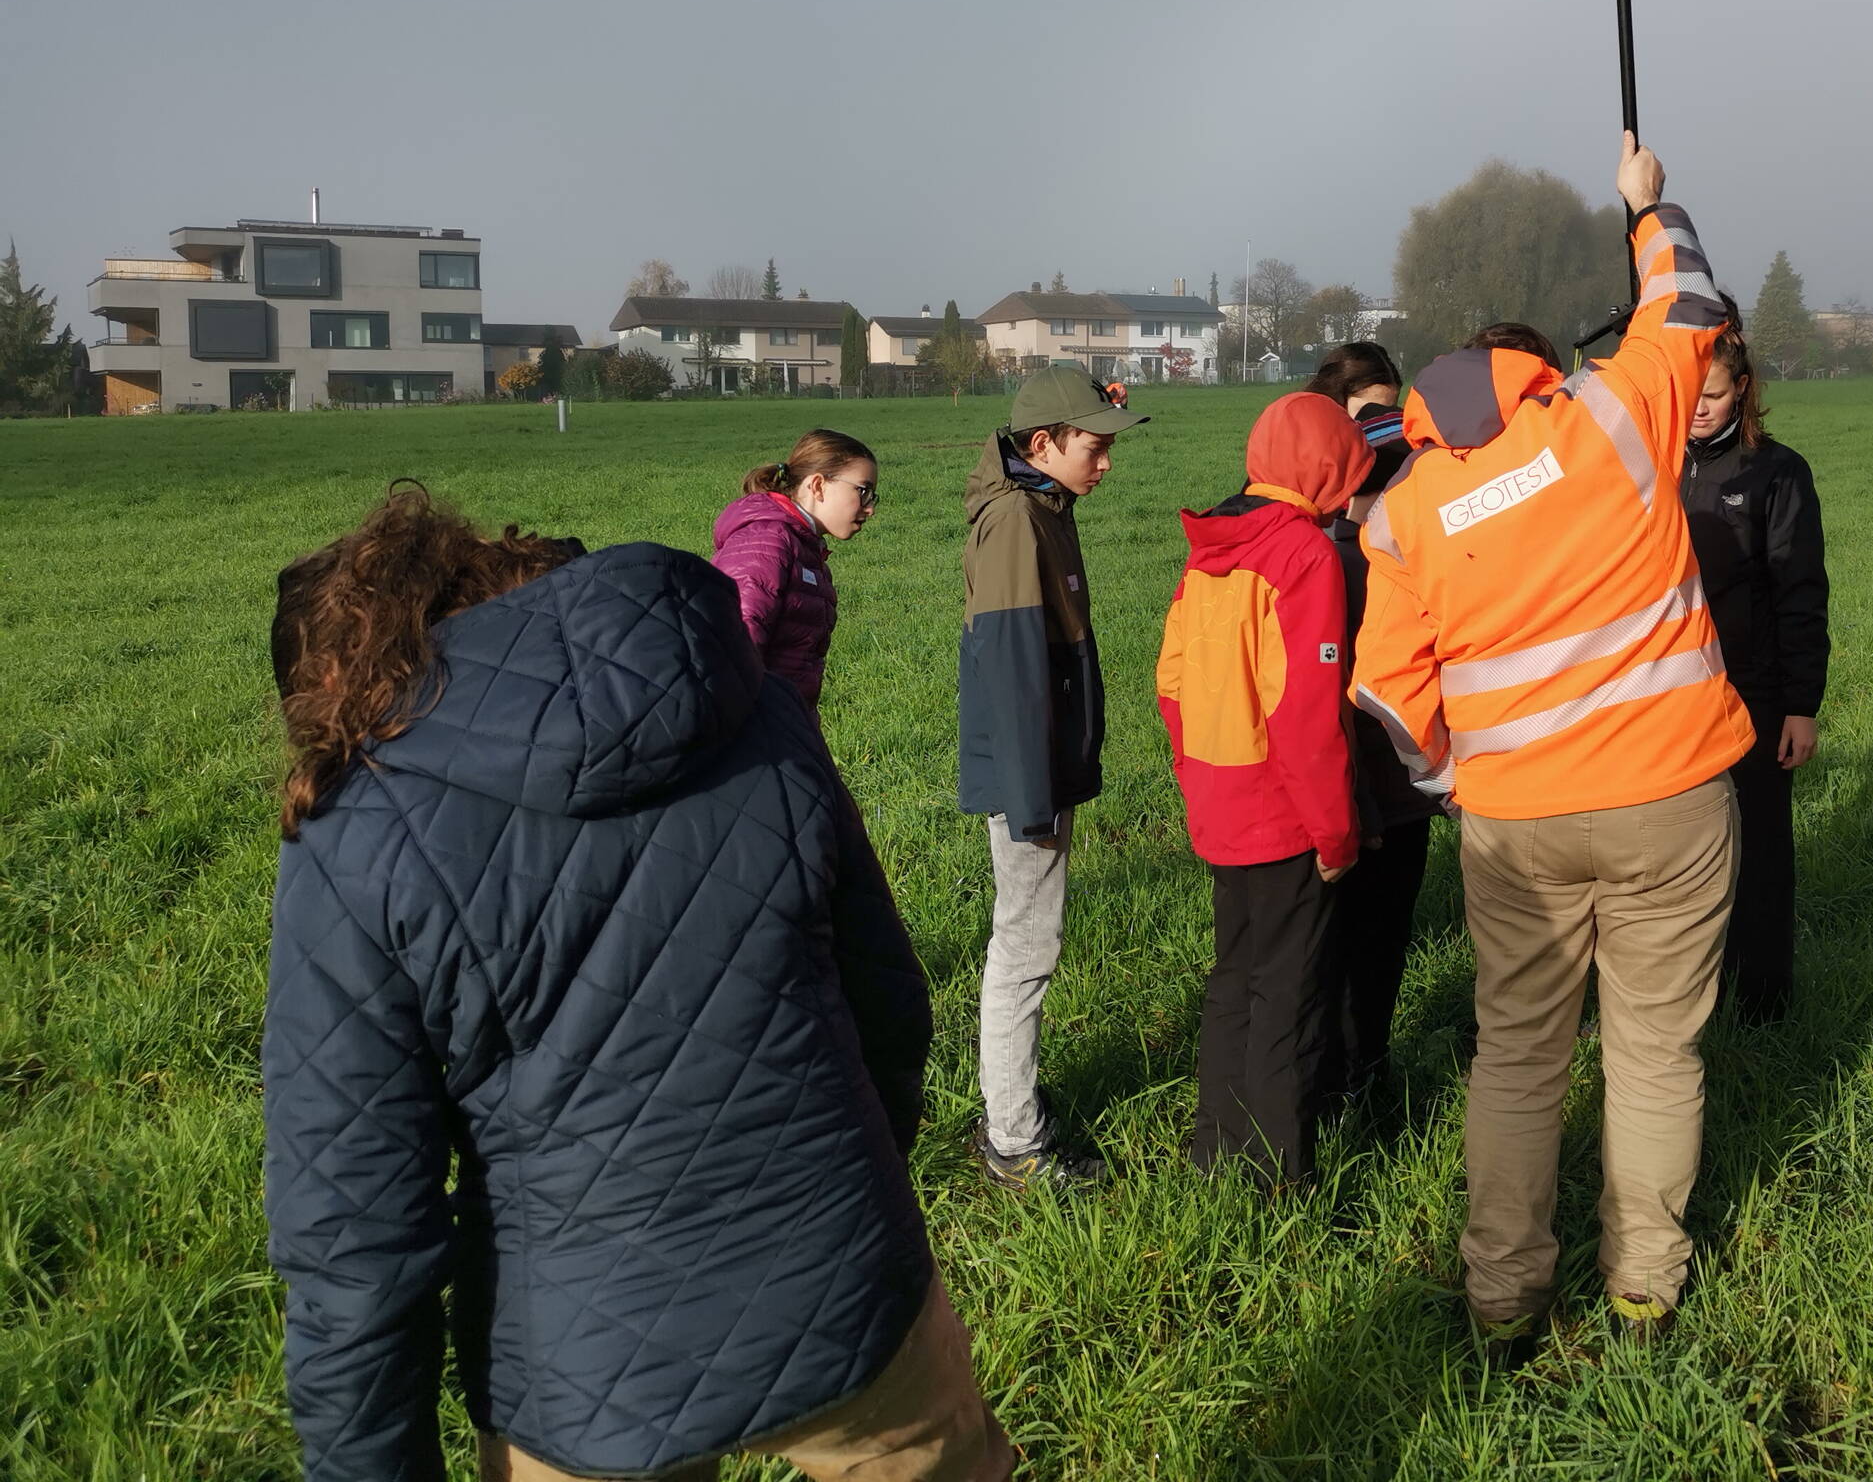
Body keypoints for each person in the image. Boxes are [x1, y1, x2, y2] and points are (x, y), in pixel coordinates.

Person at [262, 487, 1010, 1482]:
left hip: (577, 1365)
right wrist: (846, 1206)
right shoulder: (757, 709)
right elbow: (886, 1003)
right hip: (847, 1287)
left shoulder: (357, 830)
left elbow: (353, 1231)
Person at [1353, 134, 1759, 1358]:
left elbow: (1384, 689)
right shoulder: (1611, 413)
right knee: (1652, 1052)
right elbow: (1686, 300)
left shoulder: (1405, 510)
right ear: (1538, 376)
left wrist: (1455, 780)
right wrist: (1646, 206)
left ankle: (1501, 1304)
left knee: (1520, 1059)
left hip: (1513, 821)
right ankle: (1643, 1287)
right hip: (1671, 797)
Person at [1156, 392, 1371, 1183]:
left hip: (1220, 802)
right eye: (1348, 474)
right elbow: (1306, 716)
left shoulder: (1210, 545)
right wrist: (1336, 833)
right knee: (1290, 992)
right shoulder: (1306, 556)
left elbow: (1171, 683)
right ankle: (1279, 1172)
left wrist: (1199, 780)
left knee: (1234, 977)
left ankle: (1213, 1145)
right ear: (1325, 472)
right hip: (1285, 817)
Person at [959, 365, 1149, 1187]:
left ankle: (1013, 1108)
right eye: (1095, 447)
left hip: (1042, 765)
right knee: (1026, 945)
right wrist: (1034, 796)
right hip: (1026, 777)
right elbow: (1008, 665)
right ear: (1043, 444)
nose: (1106, 462)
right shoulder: (1016, 523)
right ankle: (1012, 1141)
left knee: (1029, 940)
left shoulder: (1045, 507)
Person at [1677, 314, 1830, 1022]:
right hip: (1660, 694)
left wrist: (1801, 704)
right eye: (1687, 392)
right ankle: (1679, 988)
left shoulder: (1778, 472)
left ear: (1741, 389)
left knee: (1759, 842)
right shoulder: (1645, 463)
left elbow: (1801, 591)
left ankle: (1762, 999)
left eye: (1711, 393)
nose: (1697, 406)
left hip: (1751, 692)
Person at [1306, 341, 1441, 1105]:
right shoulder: (1301, 524)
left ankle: (1370, 1072)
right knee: (1330, 935)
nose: (1381, 433)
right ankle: (1325, 1074)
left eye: (1393, 412)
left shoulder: (1413, 506)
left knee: (1388, 933)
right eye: (1366, 417)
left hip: (1397, 766)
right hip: (1331, 769)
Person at [712, 428, 879, 711]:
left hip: (781, 726)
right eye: (863, 491)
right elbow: (731, 651)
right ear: (817, 485)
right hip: (753, 734)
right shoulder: (767, 543)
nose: (870, 508)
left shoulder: (805, 549)